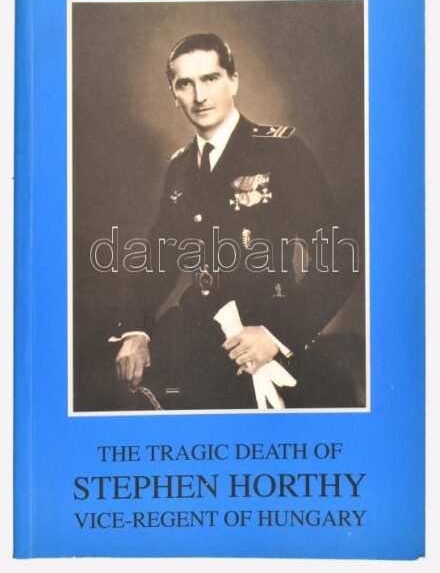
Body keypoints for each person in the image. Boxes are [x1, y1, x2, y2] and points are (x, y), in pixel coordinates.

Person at [110, 33, 361, 410]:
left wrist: (277, 334)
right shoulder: (180, 168)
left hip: (266, 333)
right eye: (185, 84)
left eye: (210, 78)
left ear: (234, 81)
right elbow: (158, 261)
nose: (199, 95)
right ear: (174, 94)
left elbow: (341, 256)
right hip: (194, 338)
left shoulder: (282, 152)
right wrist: (135, 330)